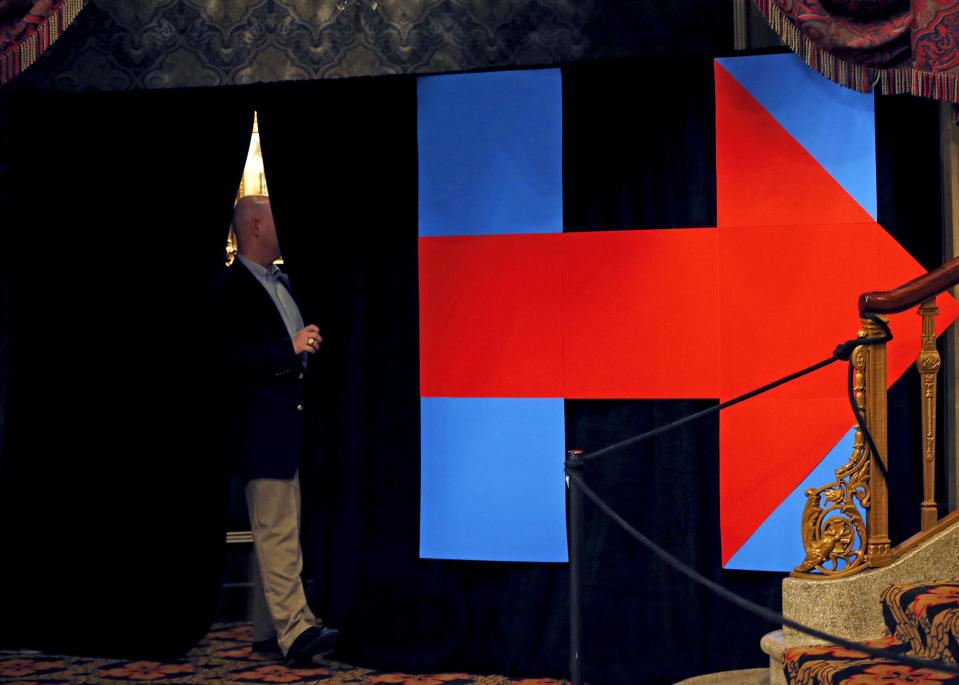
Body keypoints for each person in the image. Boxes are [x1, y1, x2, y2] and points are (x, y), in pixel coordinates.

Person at [210, 194, 339, 666]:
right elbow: (225, 361)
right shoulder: (230, 291)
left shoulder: (278, 283)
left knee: (281, 529)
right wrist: (288, 348)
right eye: (275, 220)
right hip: (259, 433)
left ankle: (267, 629)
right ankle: (296, 629)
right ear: (256, 227)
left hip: (290, 429)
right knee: (278, 530)